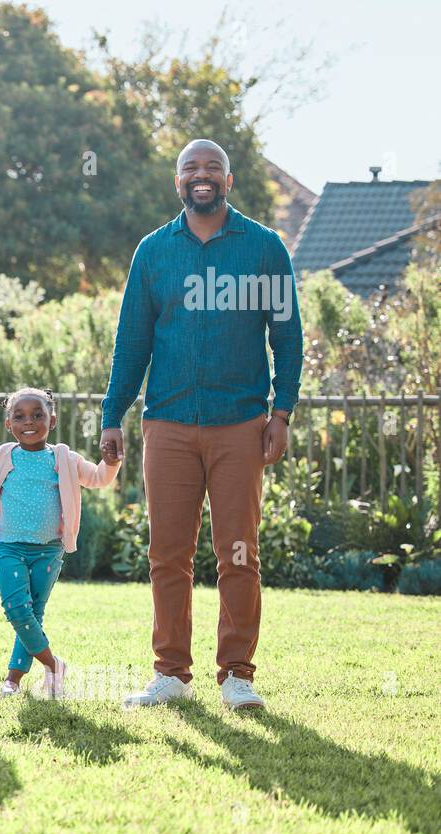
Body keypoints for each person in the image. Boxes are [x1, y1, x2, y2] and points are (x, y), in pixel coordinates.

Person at [100, 139, 303, 711]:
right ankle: (171, 674)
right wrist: (112, 415)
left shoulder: (263, 248)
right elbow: (132, 342)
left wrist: (280, 412)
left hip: (240, 423)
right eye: (191, 168)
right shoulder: (154, 251)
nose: (202, 176)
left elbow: (287, 339)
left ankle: (237, 674)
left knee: (238, 551)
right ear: (178, 182)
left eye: (212, 167)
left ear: (229, 181)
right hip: (166, 423)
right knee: (167, 554)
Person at [0, 387, 120, 697]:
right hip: (10, 547)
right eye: (20, 416)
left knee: (33, 613)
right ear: (8, 424)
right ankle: (54, 665)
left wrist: (111, 462)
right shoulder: (3, 456)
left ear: (52, 421)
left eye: (38, 415)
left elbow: (98, 478)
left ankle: (12, 680)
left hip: (49, 551)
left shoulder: (63, 458)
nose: (29, 421)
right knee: (16, 608)